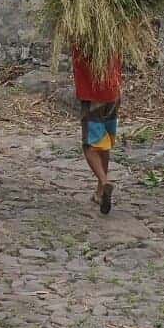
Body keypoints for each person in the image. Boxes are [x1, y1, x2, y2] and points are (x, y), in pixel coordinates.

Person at [73, 48, 122, 215]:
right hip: (114, 93)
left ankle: (104, 180)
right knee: (104, 142)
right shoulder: (115, 34)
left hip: (93, 95)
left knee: (90, 146)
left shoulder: (83, 35)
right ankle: (100, 192)